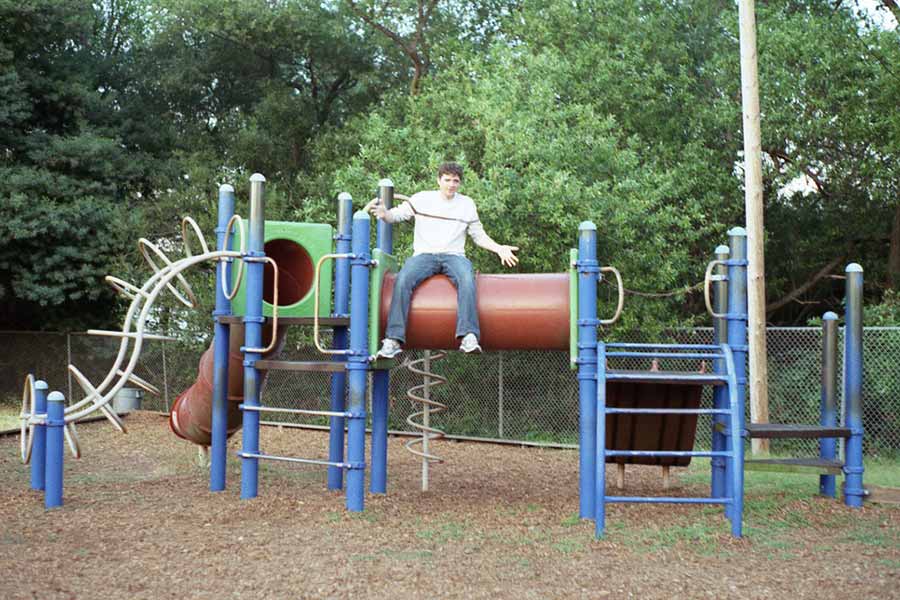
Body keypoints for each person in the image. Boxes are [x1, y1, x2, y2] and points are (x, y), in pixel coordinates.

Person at [365, 162, 519, 359]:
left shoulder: (466, 204)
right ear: (439, 180)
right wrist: (385, 214)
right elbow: (396, 215)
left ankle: (469, 336)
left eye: (455, 181)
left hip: (453, 256)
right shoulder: (422, 199)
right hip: (424, 255)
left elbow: (478, 236)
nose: (451, 184)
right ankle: (393, 340)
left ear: (460, 184)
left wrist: (499, 248)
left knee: (466, 279)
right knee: (403, 280)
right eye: (447, 180)